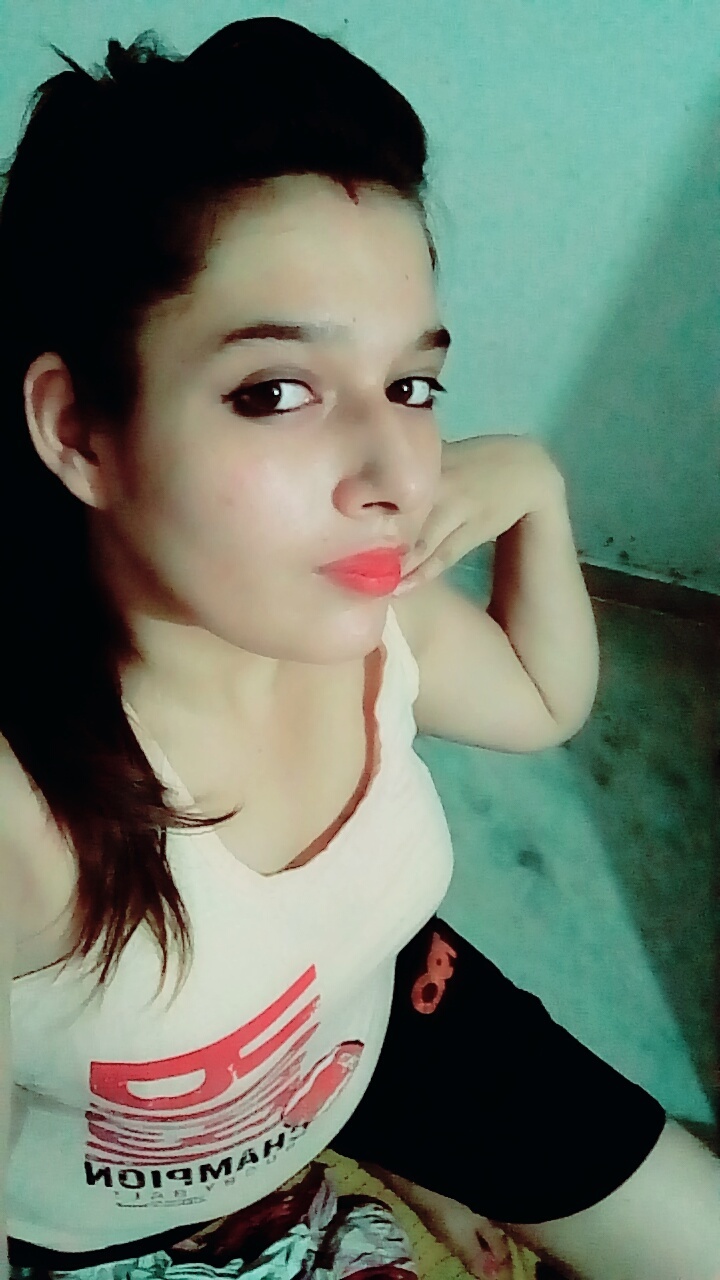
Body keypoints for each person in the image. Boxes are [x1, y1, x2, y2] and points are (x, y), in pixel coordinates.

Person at [0, 18, 717, 1280]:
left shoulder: (372, 621)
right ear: (79, 431)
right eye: (278, 391)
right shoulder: (26, 819)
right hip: (122, 1210)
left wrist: (538, 484)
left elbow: (542, 699)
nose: (394, 473)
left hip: (373, 1022)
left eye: (412, 387)